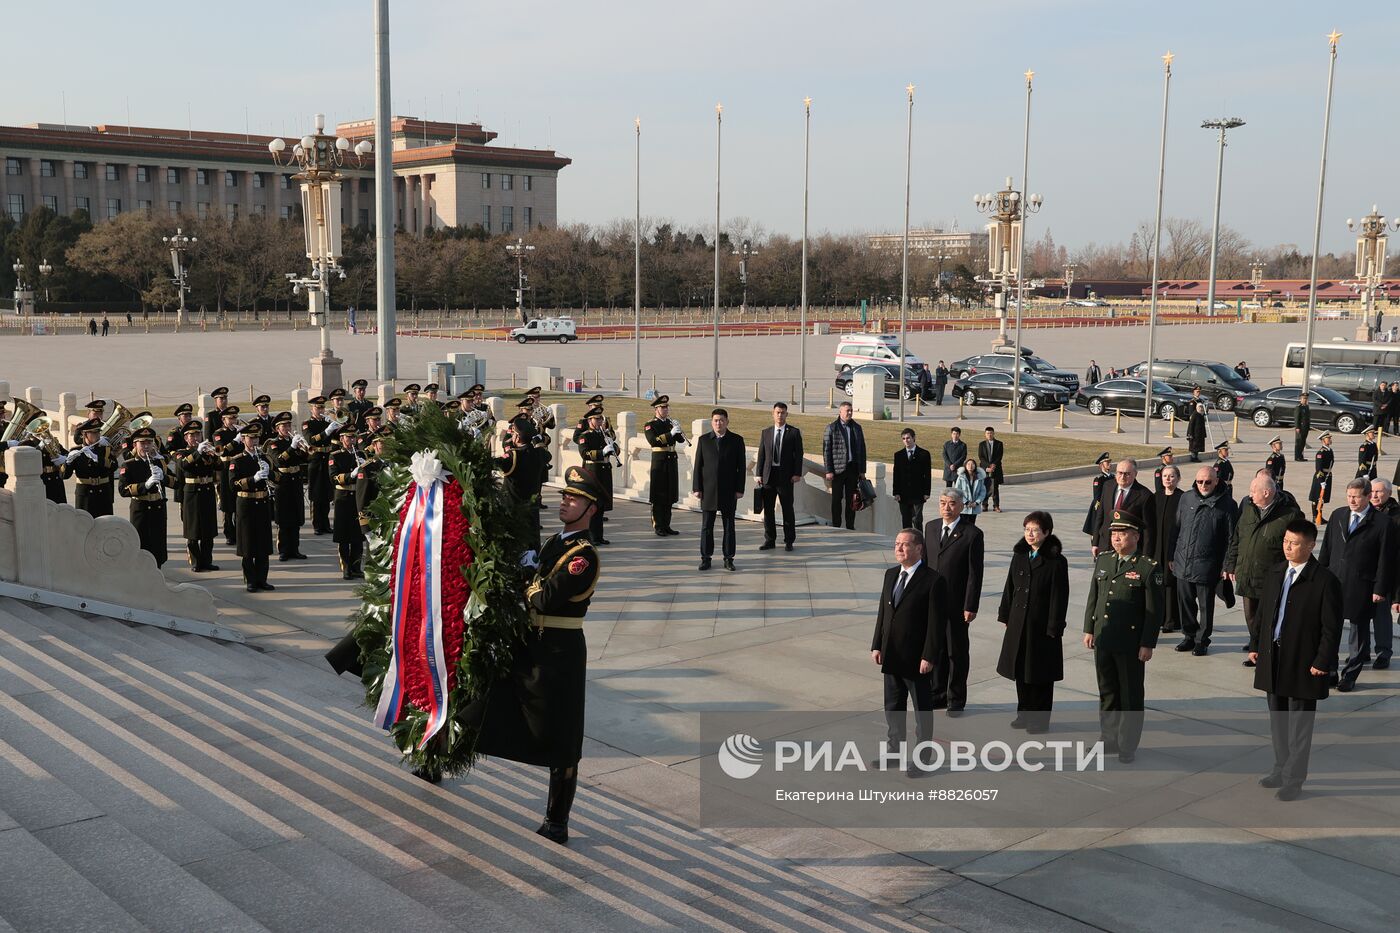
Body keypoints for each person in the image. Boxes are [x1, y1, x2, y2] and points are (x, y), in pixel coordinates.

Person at [459, 466, 604, 842]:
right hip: (530, 642)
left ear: (592, 508)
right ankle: (441, 757)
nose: (565, 501)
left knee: (562, 734)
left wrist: (527, 578)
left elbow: (545, 596)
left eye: (574, 498)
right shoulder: (556, 543)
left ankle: (557, 820)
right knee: (485, 702)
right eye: (565, 495)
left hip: (560, 654)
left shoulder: (583, 556)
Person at [1247, 519, 1343, 801]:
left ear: (1311, 545)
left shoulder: (1325, 581)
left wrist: (1323, 661)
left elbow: (1331, 628)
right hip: (1273, 658)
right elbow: (1264, 613)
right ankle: (1279, 768)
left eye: (1295, 543)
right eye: (1286, 541)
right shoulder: (1276, 572)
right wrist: (1255, 644)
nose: (1288, 547)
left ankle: (1294, 779)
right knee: (1278, 721)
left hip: (1304, 663)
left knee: (1299, 727)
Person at [1083, 509, 1160, 764]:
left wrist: (1147, 643)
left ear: (1136, 536)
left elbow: (1152, 611)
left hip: (1130, 643)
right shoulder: (1104, 560)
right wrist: (1089, 628)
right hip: (1104, 638)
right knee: (1107, 691)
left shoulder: (1147, 568)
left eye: (1122, 533)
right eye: (1114, 533)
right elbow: (1094, 597)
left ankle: (1127, 744)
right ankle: (1108, 738)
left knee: (1130, 694)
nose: (1116, 538)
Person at [870, 528, 948, 773]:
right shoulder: (890, 574)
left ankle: (923, 758)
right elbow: (884, 613)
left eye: (905, 545)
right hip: (891, 654)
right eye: (896, 544)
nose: (899, 549)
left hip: (917, 659)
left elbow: (936, 624)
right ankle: (894, 752)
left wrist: (929, 655)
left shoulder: (933, 580)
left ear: (919, 548)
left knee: (922, 711)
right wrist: (876, 644)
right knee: (893, 708)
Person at [996, 510, 1069, 734]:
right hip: (1019, 623)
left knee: (1040, 674)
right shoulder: (1020, 555)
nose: (1030, 534)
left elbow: (1060, 596)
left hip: (1041, 626)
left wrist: (1054, 626)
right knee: (1021, 670)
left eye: (1035, 530)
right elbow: (1010, 587)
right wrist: (1005, 614)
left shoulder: (1055, 561)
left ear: (1046, 532)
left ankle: (1039, 720)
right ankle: (1023, 712)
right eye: (1027, 529)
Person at [1319, 477, 1391, 692]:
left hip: (1362, 584)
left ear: (1368, 497)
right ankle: (1330, 670)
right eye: (1349, 496)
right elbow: (1327, 549)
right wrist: (1319, 575)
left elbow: (1385, 560)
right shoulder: (1338, 515)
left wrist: (1380, 589)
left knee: (1358, 633)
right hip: (1334, 581)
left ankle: (1350, 675)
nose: (1351, 500)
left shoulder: (1381, 523)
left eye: (1356, 497)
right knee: (1330, 628)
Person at [1226, 471, 1303, 668]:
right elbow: (1236, 538)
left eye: (1254, 491)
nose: (1250, 494)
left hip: (1272, 578)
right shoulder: (1248, 509)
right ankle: (1257, 651)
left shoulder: (1289, 515)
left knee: (1271, 618)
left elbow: (1298, 547)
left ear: (1267, 493)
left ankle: (1270, 653)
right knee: (1251, 617)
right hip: (1247, 574)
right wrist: (1230, 563)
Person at [922, 488, 984, 716]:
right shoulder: (930, 527)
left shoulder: (972, 534)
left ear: (961, 506)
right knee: (935, 649)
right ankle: (937, 694)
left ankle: (956, 698)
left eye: (951, 504)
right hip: (932, 603)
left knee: (955, 652)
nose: (946, 508)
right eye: (942, 503)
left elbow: (974, 574)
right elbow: (925, 565)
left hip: (957, 604)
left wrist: (971, 605)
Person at [1170, 465, 1238, 656]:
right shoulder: (1186, 498)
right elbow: (1176, 528)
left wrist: (1227, 565)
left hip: (1208, 565)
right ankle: (1189, 636)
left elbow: (1232, 539)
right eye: (1200, 481)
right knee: (1185, 603)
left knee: (1205, 607)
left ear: (1216, 481)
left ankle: (1202, 640)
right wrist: (1171, 556)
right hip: (1183, 561)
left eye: (1208, 482)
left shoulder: (1227, 505)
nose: (1203, 485)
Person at [692, 408, 745, 571]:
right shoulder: (704, 440)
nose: (718, 423)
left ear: (727, 421)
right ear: (711, 422)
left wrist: (739, 489)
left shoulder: (736, 440)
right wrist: (697, 488)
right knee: (707, 526)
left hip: (729, 491)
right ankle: (705, 558)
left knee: (729, 527)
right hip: (708, 491)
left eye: (721, 420)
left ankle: (729, 558)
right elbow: (698, 466)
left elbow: (741, 467)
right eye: (715, 420)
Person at [229, 423, 276, 592]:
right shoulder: (237, 460)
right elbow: (232, 485)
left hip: (262, 503)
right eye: (251, 438)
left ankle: (262, 579)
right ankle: (250, 580)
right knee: (248, 544)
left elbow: (277, 477)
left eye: (256, 437)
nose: (254, 441)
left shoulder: (264, 457)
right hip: (246, 505)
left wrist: (269, 473)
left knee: (263, 544)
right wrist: (253, 479)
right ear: (243, 439)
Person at [117, 427, 172, 567]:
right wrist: (145, 485)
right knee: (142, 544)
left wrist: (163, 478)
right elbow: (123, 490)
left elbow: (177, 482)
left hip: (158, 508)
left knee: (157, 543)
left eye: (149, 443)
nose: (146, 447)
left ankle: (158, 571)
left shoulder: (159, 462)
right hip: (140, 510)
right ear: (135, 445)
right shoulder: (129, 465)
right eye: (142, 443)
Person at [755, 401, 803, 551]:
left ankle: (789, 540)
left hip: (786, 477)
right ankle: (770, 540)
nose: (780, 415)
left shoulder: (794, 432)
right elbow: (762, 454)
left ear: (786, 414)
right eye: (777, 412)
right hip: (769, 476)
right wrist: (758, 473)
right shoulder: (766, 432)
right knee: (768, 510)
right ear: (773, 414)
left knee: (787, 509)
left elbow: (799, 455)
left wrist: (797, 473)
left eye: (783, 413)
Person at [173, 423, 220, 571]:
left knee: (208, 529)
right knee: (193, 530)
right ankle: (195, 561)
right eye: (191, 436)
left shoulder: (207, 451)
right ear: (186, 438)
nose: (195, 438)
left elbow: (220, 467)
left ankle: (207, 560)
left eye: (197, 435)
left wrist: (213, 454)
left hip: (207, 491)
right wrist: (198, 453)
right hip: (192, 494)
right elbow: (183, 465)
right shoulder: (181, 452)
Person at [267, 412, 310, 561]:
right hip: (283, 482)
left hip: (295, 481)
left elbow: (307, 458)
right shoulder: (273, 444)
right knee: (284, 517)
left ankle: (295, 549)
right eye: (284, 426)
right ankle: (284, 550)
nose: (287, 428)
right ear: (277, 428)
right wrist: (292, 447)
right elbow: (279, 461)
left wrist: (303, 446)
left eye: (288, 425)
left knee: (296, 516)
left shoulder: (294, 441)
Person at [1092, 459, 1155, 559]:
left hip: (1128, 549)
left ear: (1135, 474)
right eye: (1120, 473)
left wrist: (1146, 556)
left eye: (1127, 474)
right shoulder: (1108, 486)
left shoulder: (1145, 495)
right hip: (1105, 545)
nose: (1122, 477)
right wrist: (1095, 542)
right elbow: (1100, 515)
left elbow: (1148, 530)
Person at [642, 395, 685, 537]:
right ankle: (658, 525)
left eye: (667, 407)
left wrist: (678, 429)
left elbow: (679, 439)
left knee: (669, 494)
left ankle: (667, 525)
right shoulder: (650, 424)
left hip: (671, 460)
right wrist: (670, 433)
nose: (666, 409)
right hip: (659, 462)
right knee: (659, 495)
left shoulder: (669, 423)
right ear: (656, 409)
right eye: (663, 407)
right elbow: (653, 441)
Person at [822, 402, 866, 530]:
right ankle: (836, 525)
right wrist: (829, 470)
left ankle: (850, 526)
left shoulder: (857, 428)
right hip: (837, 470)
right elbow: (826, 451)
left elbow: (862, 450)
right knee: (836, 499)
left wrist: (862, 470)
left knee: (851, 500)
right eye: (847, 411)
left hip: (853, 470)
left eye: (851, 410)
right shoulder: (831, 428)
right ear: (840, 412)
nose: (850, 413)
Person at [329, 428, 365, 580]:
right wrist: (351, 475)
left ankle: (356, 567)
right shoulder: (335, 456)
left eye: (353, 437)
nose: (352, 441)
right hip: (343, 497)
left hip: (357, 497)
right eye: (349, 438)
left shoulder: (361, 454)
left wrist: (366, 467)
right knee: (344, 535)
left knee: (358, 534)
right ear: (342, 438)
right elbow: (333, 477)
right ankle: (346, 568)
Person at [1152, 465, 1184, 634]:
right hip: (1157, 547)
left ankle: (1172, 620)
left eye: (1172, 476)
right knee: (1157, 582)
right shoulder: (1156, 497)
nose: (1168, 479)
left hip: (1174, 548)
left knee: (1171, 583)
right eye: (1165, 476)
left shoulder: (1183, 498)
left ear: (1178, 478)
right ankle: (1159, 617)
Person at [575, 407, 615, 545]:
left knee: (601, 505)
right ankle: (591, 536)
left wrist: (612, 446)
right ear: (590, 420)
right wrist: (601, 452)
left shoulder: (604, 434)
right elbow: (584, 453)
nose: (600, 421)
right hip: (592, 471)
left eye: (600, 419)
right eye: (597, 419)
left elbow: (616, 451)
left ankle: (599, 536)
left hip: (604, 470)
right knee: (592, 505)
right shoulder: (584, 436)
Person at [63, 419, 117, 518]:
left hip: (103, 493)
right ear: (84, 434)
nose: (97, 435)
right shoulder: (75, 451)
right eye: (93, 433)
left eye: (98, 432)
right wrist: (68, 462)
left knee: (105, 525)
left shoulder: (105, 449)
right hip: (85, 495)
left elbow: (113, 466)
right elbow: (64, 475)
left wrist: (96, 458)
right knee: (84, 525)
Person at [302, 396, 339, 535]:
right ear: (312, 409)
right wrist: (327, 431)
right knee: (316, 494)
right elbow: (311, 440)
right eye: (318, 407)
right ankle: (317, 524)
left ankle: (325, 524)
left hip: (327, 459)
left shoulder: (327, 422)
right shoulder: (307, 424)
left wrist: (336, 426)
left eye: (322, 407)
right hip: (316, 460)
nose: (321, 410)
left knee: (327, 493)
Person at [212, 406, 243, 545]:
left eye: (235, 417)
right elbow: (220, 451)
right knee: (227, 503)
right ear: (223, 419)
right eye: (230, 418)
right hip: (225, 469)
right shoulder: (218, 434)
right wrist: (235, 441)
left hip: (239, 467)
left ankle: (239, 531)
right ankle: (229, 533)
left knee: (239, 500)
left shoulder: (240, 431)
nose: (233, 420)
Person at [892, 428, 932, 529]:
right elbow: (896, 474)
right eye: (904, 438)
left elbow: (927, 474)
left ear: (914, 438)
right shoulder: (898, 455)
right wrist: (896, 492)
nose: (906, 440)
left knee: (917, 519)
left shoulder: (924, 454)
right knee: (906, 519)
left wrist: (927, 492)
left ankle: (918, 541)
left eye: (908, 438)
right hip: (903, 493)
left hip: (918, 493)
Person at [1082, 452, 1113, 536]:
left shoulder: (1113, 477)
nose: (1109, 464)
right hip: (1100, 505)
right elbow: (1097, 496)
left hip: (1110, 504)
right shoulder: (1099, 479)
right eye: (1107, 462)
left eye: (1109, 462)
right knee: (1096, 528)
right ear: (1101, 465)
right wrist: (1099, 507)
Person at [1308, 432, 1334, 524]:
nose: (1330, 440)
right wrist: (1321, 481)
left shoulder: (1329, 450)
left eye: (1330, 438)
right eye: (1328, 438)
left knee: (1322, 498)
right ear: (1323, 440)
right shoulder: (1320, 453)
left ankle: (1320, 515)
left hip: (1327, 476)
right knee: (1316, 498)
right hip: (1320, 478)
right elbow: (1318, 469)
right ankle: (1315, 516)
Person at [978, 426, 1005, 513]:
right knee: (985, 487)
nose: (989, 435)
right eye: (987, 433)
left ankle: (996, 506)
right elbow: (981, 457)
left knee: (995, 488)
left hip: (995, 469)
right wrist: (988, 466)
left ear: (993, 434)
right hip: (985, 469)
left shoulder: (999, 444)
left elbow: (999, 456)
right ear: (985, 434)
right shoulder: (982, 444)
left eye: (991, 433)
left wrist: (993, 465)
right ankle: (984, 505)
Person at [953, 458, 986, 524]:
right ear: (965, 466)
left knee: (972, 525)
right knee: (963, 525)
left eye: (972, 464)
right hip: (963, 507)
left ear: (975, 466)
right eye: (968, 464)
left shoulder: (980, 478)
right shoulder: (961, 477)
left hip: (975, 507)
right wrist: (966, 502)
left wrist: (976, 502)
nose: (970, 466)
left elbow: (982, 492)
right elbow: (957, 491)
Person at [1186, 398, 1208, 463]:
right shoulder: (1195, 415)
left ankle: (1196, 457)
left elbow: (1203, 426)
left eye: (1202, 407)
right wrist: (1190, 434)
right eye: (1199, 407)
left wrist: (1204, 434)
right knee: (1194, 447)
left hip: (1199, 435)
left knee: (1198, 447)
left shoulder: (1201, 415)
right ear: (1197, 408)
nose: (1201, 408)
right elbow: (1191, 425)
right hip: (1194, 435)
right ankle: (1193, 457)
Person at [1295, 393, 1311, 462]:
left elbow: (1307, 418)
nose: (1305, 400)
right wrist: (1297, 427)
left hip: (1305, 427)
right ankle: (1297, 457)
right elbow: (1297, 418)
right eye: (1304, 398)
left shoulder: (1306, 407)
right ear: (1300, 399)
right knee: (1299, 442)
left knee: (1303, 442)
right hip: (1300, 427)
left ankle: (1301, 456)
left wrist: (1308, 426)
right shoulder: (1299, 407)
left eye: (1306, 398)